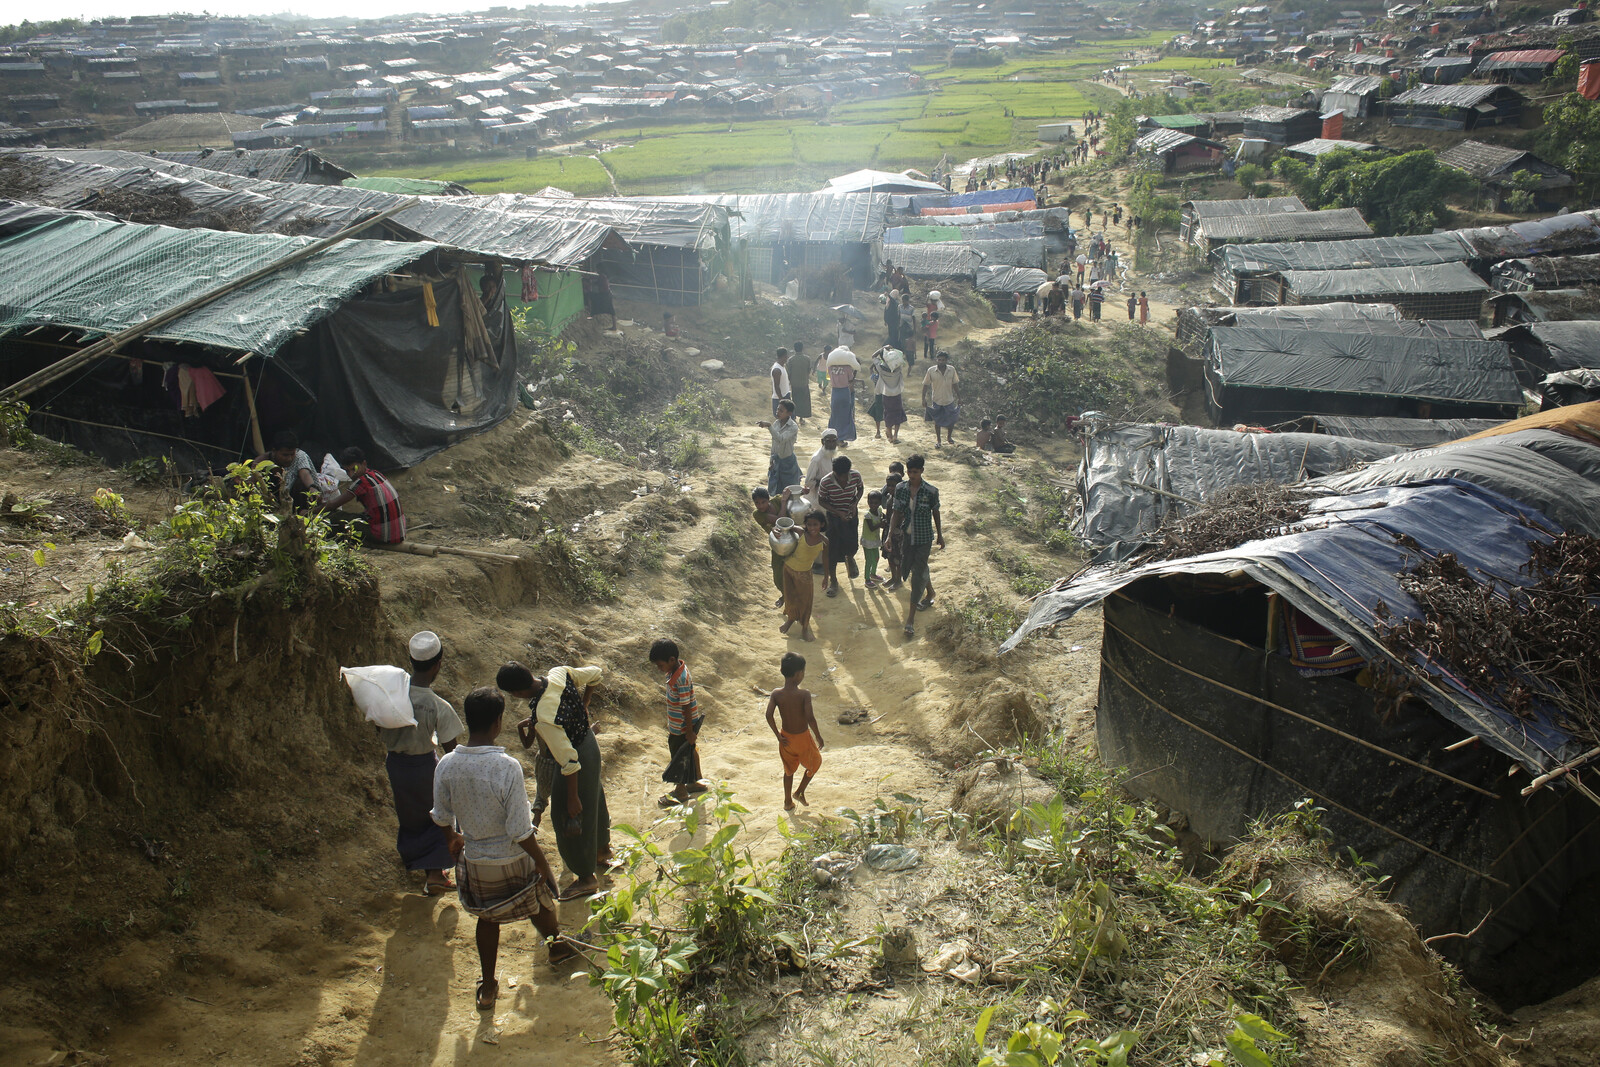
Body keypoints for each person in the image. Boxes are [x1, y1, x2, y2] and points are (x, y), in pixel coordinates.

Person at [431, 686, 572, 1014]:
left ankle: (489, 986)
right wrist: (544, 865)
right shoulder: (506, 767)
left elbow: (440, 816)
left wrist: (453, 837)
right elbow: (521, 831)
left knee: (487, 918)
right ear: (498, 723)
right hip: (512, 857)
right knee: (538, 900)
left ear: (468, 721)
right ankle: (556, 947)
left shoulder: (446, 766)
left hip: (477, 859)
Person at [503, 661, 611, 901]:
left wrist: (571, 797)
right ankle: (602, 851)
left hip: (576, 758)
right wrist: (585, 703)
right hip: (590, 746)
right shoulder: (559, 674)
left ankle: (586, 878)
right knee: (594, 796)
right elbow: (595, 674)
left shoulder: (544, 715)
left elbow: (569, 761)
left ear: (517, 693)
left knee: (568, 815)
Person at [379, 630, 464, 897]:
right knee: (437, 815)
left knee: (411, 816)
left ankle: (425, 866)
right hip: (425, 767)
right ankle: (436, 875)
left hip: (396, 766)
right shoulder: (437, 705)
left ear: (411, 660)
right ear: (438, 664)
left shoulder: (392, 697)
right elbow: (451, 749)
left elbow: (378, 726)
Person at [889, 454, 943, 638]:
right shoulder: (901, 488)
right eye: (910, 472)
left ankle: (910, 619)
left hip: (924, 538)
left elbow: (936, 513)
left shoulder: (931, 491)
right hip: (907, 536)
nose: (912, 475)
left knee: (917, 574)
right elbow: (896, 512)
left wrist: (940, 536)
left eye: (915, 472)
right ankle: (931, 592)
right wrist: (890, 535)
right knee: (915, 567)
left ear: (922, 471)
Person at [765, 652, 824, 811]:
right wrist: (818, 736)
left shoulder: (776, 693)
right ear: (798, 674)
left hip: (786, 738)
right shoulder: (804, 694)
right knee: (815, 762)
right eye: (803, 672)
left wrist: (778, 735)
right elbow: (810, 718)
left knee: (788, 770)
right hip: (802, 738)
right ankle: (799, 792)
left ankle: (787, 802)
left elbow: (768, 715)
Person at [649, 639, 705, 808]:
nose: (660, 669)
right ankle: (694, 782)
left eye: (660, 665)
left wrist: (688, 731)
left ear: (671, 660)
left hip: (681, 727)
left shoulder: (680, 678)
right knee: (689, 751)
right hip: (682, 725)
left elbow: (686, 705)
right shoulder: (677, 671)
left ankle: (680, 791)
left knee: (679, 757)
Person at [320, 446, 406, 545]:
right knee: (349, 517)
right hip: (399, 532)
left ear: (364, 463)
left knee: (334, 518)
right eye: (347, 471)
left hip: (384, 536)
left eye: (354, 469)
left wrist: (310, 511)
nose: (351, 474)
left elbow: (332, 505)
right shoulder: (376, 474)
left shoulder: (361, 482)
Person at [818, 454, 864, 597]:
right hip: (834, 520)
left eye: (845, 476)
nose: (844, 479)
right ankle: (834, 582)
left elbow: (860, 489)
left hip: (851, 516)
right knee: (832, 551)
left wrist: (854, 504)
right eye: (840, 476)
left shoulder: (855, 476)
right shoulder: (826, 482)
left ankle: (850, 557)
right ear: (834, 472)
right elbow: (821, 501)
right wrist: (838, 512)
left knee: (852, 544)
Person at [781, 510, 828, 641]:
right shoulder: (800, 532)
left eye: (815, 524)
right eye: (809, 524)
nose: (812, 528)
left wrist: (826, 577)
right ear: (805, 525)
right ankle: (790, 619)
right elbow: (782, 526)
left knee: (806, 601)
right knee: (790, 597)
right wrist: (775, 531)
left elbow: (826, 559)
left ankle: (805, 628)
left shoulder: (824, 541)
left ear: (822, 525)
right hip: (788, 569)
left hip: (805, 574)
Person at [753, 486, 791, 608]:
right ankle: (785, 595)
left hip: (794, 539)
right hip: (778, 544)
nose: (760, 506)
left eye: (763, 502)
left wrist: (802, 491)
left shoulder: (777, 500)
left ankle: (792, 596)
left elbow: (792, 493)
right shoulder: (758, 514)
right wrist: (784, 502)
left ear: (768, 500)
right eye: (757, 503)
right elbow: (781, 521)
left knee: (794, 570)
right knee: (778, 574)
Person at [260, 431, 317, 513]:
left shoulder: (300, 456)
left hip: (297, 504)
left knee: (300, 484)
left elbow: (305, 474)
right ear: (274, 451)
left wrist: (312, 488)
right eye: (285, 455)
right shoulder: (263, 461)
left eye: (292, 454)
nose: (289, 458)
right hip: (273, 506)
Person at [758, 400, 801, 499]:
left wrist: (769, 426)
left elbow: (780, 439)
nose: (777, 412)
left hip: (788, 463)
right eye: (778, 409)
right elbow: (774, 445)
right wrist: (771, 461)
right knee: (776, 491)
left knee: (790, 491)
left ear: (789, 413)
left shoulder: (793, 427)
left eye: (781, 411)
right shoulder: (776, 423)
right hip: (777, 461)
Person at [923, 350, 960, 448]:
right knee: (937, 421)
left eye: (943, 360)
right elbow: (925, 385)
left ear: (946, 360)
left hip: (949, 399)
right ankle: (938, 440)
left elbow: (955, 384)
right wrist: (923, 399)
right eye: (939, 360)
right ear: (936, 360)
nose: (941, 362)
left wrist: (959, 397)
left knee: (951, 420)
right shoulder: (931, 371)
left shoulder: (951, 370)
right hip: (937, 399)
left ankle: (949, 437)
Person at [826, 346, 860, 444]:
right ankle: (841, 439)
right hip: (845, 392)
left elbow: (828, 377)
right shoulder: (847, 368)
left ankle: (832, 438)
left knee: (835, 416)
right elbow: (850, 380)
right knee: (845, 416)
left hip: (835, 392)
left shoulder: (830, 367)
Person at [804, 427, 841, 493]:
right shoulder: (817, 459)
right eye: (828, 441)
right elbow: (808, 482)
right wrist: (826, 482)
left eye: (834, 441)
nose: (831, 444)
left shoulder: (831, 453)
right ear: (822, 442)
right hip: (817, 496)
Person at [861, 490, 886, 589]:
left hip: (875, 540)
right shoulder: (868, 515)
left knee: (876, 558)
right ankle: (867, 579)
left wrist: (884, 520)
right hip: (868, 541)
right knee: (869, 560)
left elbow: (883, 516)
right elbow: (871, 528)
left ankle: (873, 574)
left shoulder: (879, 510)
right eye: (871, 502)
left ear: (880, 503)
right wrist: (881, 524)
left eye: (875, 503)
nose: (873, 505)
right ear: (868, 502)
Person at [788, 342, 814, 422]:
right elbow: (808, 370)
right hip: (804, 383)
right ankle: (801, 418)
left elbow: (789, 372)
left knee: (795, 400)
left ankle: (794, 416)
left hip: (794, 384)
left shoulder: (791, 360)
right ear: (802, 348)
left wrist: (790, 381)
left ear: (794, 349)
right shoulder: (807, 359)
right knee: (803, 401)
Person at [770, 348, 791, 419]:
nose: (787, 357)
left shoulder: (782, 366)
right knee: (781, 421)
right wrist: (781, 400)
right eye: (786, 356)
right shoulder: (777, 369)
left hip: (785, 395)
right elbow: (776, 386)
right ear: (783, 356)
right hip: (780, 398)